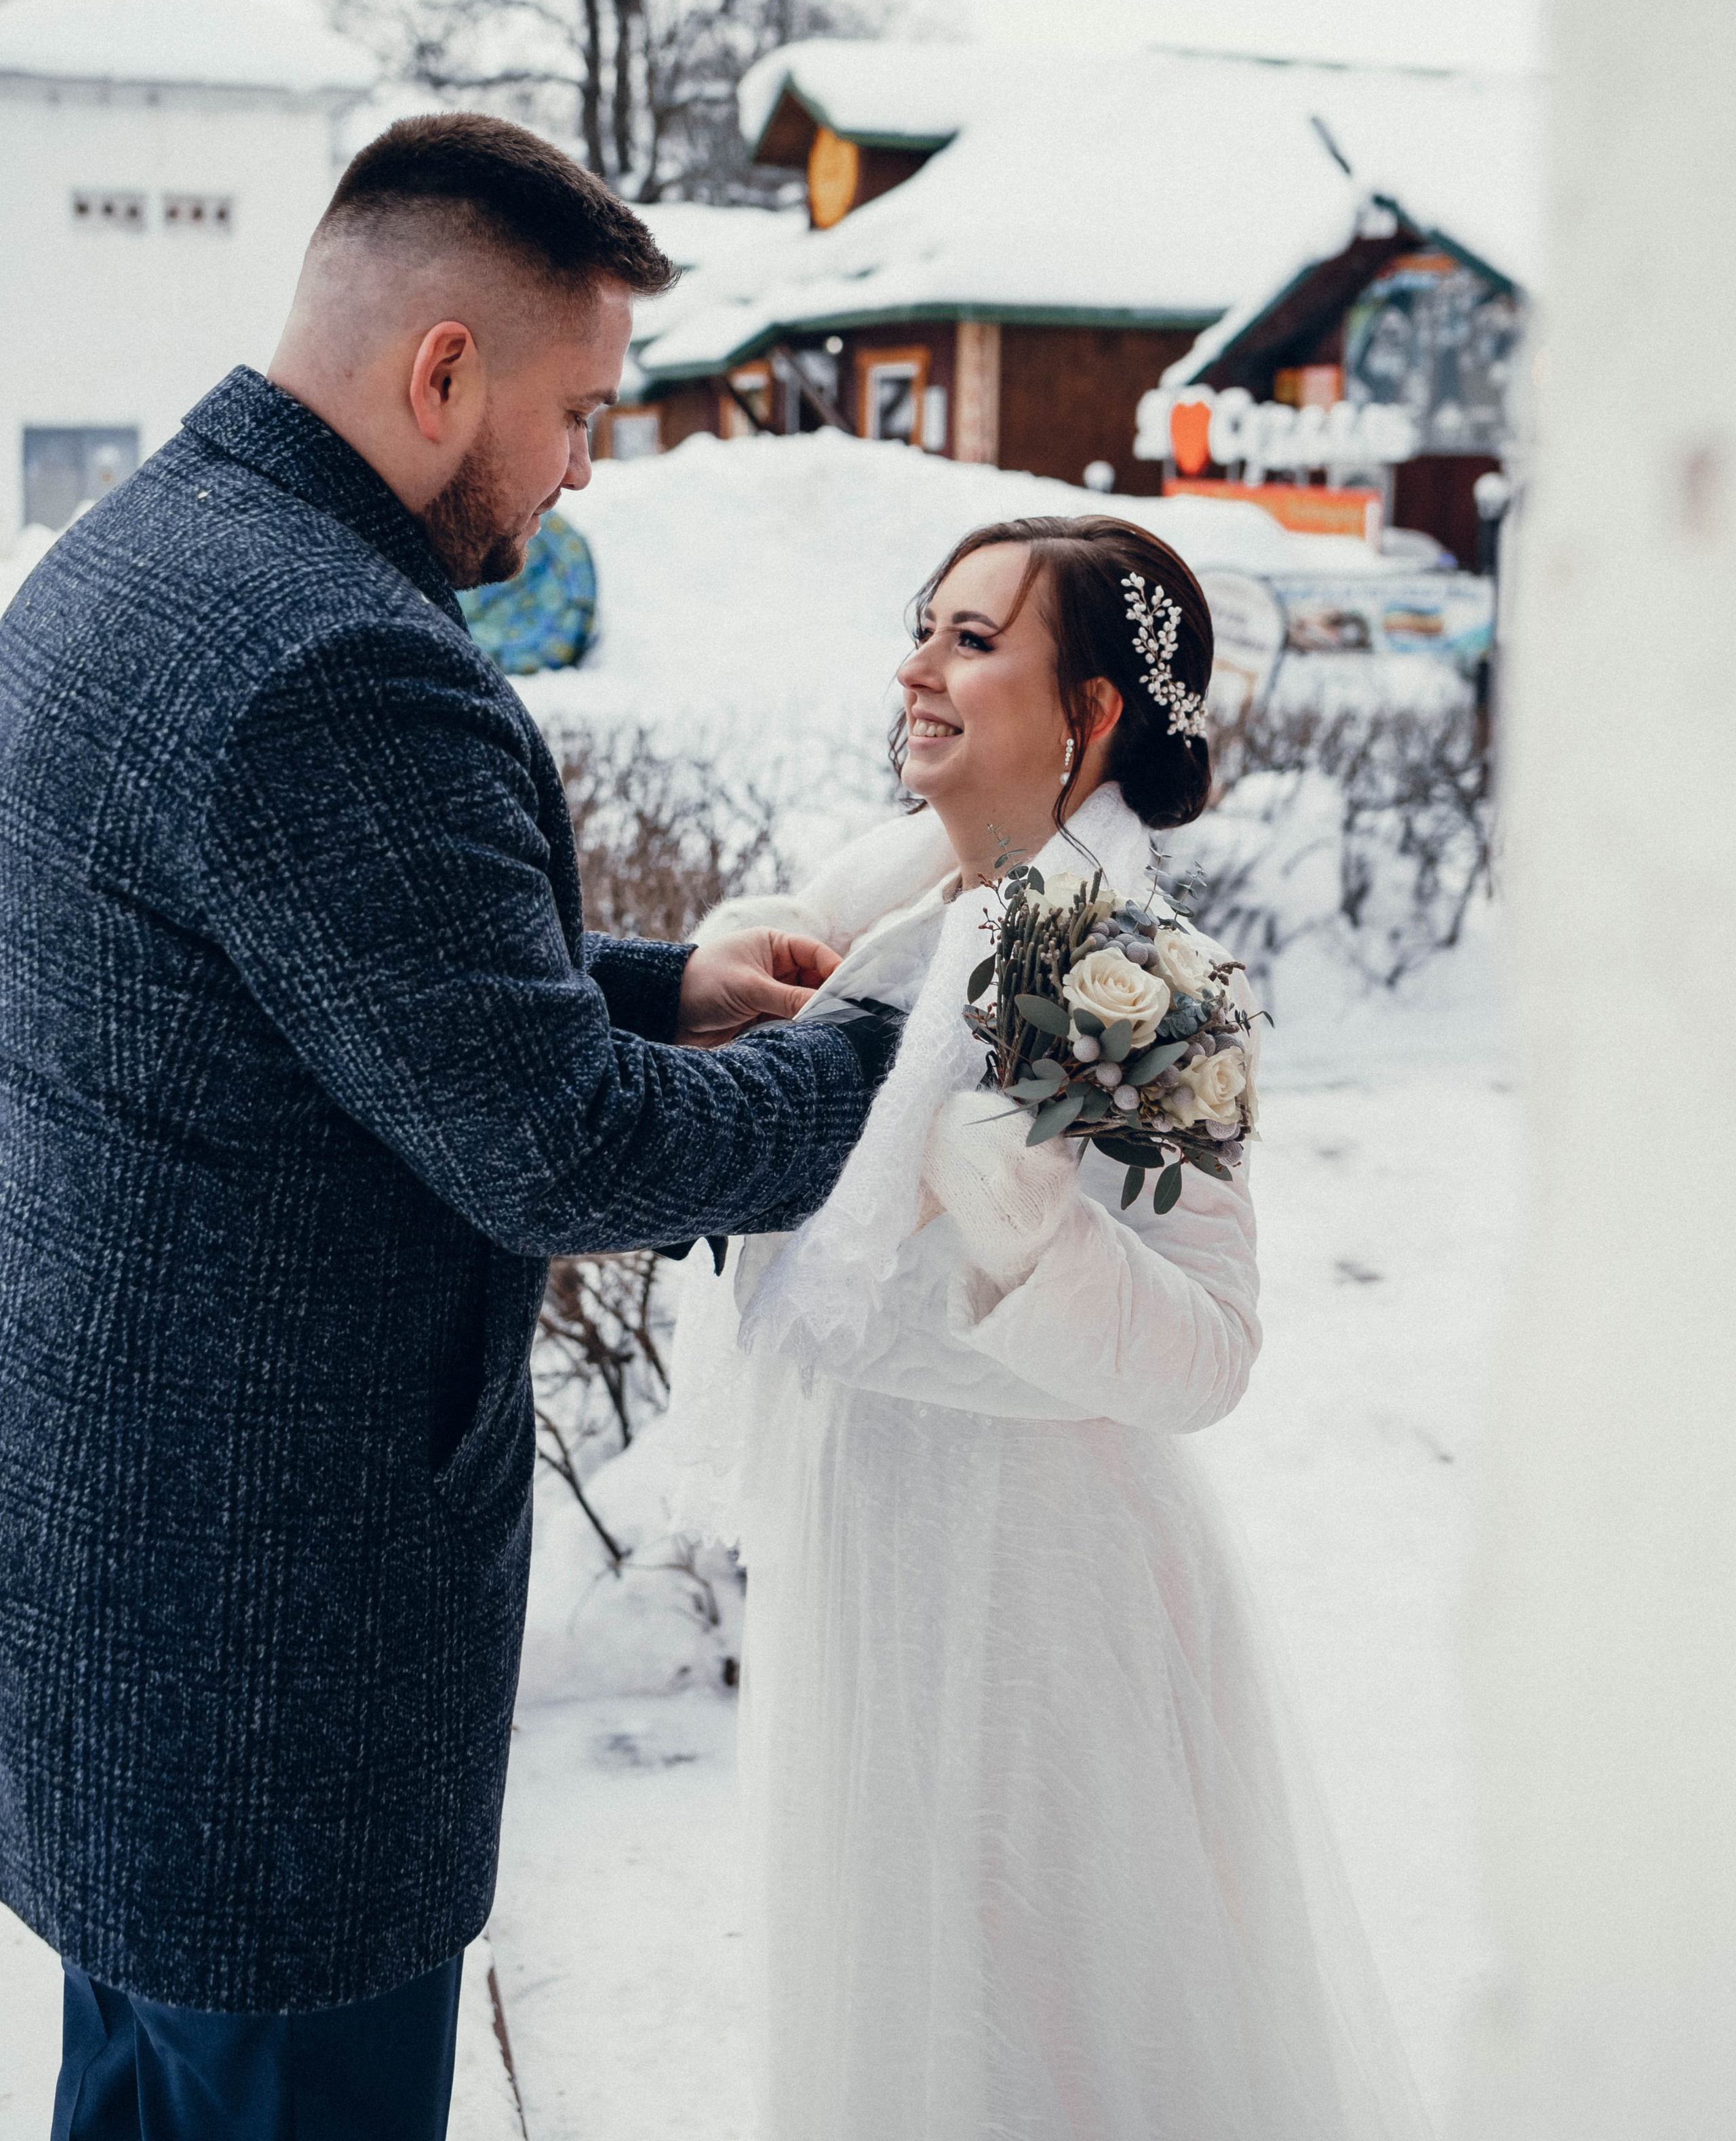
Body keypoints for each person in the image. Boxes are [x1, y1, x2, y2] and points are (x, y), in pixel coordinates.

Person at [0, 114, 899, 2140]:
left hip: (115, 1613)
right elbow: (563, 1153)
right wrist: (893, 1057)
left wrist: (657, 985)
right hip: (269, 1667)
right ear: (441, 374)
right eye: (581, 410)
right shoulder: (342, 658)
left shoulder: (133, 561)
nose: (589, 464)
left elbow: (276, 970)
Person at [671, 513, 1432, 2140]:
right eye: (922, 624)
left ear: (1087, 714)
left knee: (1035, 2029)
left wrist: (1016, 1226)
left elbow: (1208, 1347)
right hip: (867, 1534)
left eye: (969, 640)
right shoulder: (869, 912)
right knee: (892, 1999)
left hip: (1035, 1583)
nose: (913, 669)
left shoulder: (1142, 977)